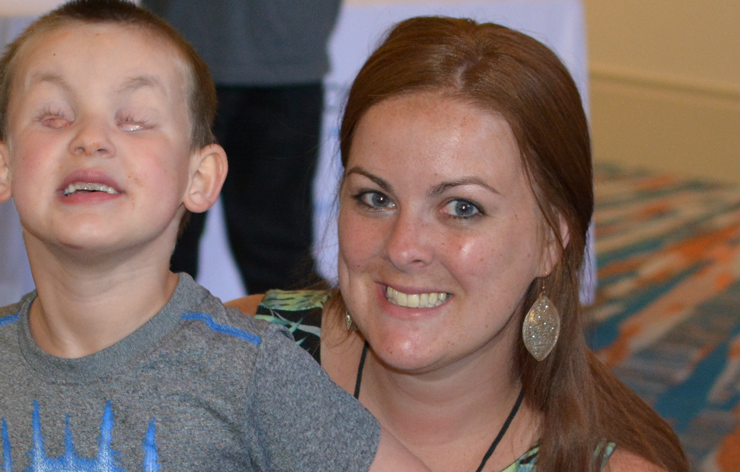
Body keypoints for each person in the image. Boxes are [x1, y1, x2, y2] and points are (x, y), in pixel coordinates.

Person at [0, 1, 427, 470]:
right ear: (1, 166)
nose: (90, 138)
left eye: (134, 119)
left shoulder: (250, 371)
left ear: (199, 177)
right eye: (54, 116)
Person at [225, 17, 692, 472]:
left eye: (462, 208)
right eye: (376, 198)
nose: (404, 247)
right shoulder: (230, 353)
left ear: (551, 239)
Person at [142, 0, 341, 294]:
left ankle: (300, 336)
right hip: (187, 49)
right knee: (159, 249)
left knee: (279, 256)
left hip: (283, 51)